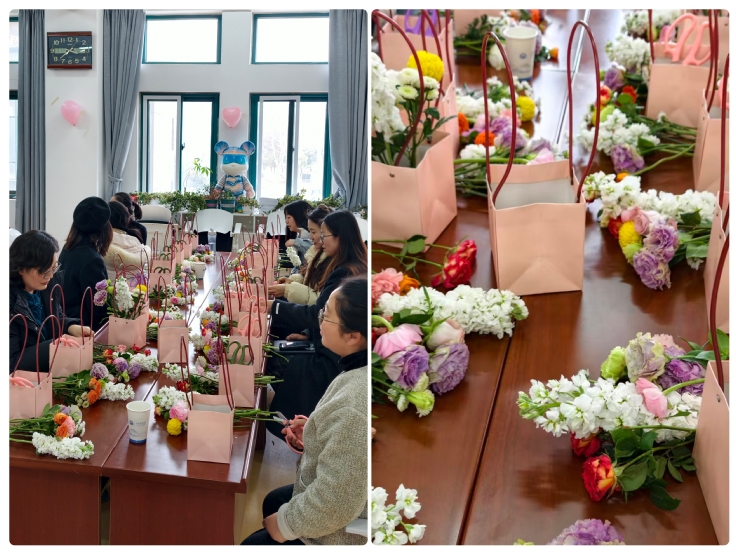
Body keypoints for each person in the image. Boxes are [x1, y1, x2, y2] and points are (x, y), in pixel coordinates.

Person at [242, 276, 368, 545]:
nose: (319, 319)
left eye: (326, 315)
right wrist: (315, 432)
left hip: (340, 528)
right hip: (338, 496)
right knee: (273, 500)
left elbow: (336, 502)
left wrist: (286, 525)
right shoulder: (356, 369)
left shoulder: (354, 403)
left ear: (353, 336)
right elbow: (349, 445)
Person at [266, 210, 367, 439]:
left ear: (340, 236)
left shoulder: (345, 272)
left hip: (334, 358)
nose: (320, 240)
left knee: (278, 360)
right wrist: (308, 334)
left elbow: (318, 315)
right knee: (278, 348)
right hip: (332, 347)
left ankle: (292, 428)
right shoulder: (345, 264)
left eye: (324, 235)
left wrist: (275, 307)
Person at [10, 230, 93, 372]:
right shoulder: (9, 304)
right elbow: (11, 363)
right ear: (21, 268)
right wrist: (52, 346)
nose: (50, 276)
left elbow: (56, 317)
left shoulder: (47, 287)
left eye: (53, 268)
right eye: (43, 271)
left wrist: (70, 327)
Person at [59, 197, 113, 331]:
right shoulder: (92, 260)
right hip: (85, 328)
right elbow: (99, 307)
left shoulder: (68, 248)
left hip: (67, 321)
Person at [268, 204, 332, 307]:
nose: (310, 237)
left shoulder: (332, 262)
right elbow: (308, 280)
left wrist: (288, 289)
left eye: (289, 217)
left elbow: (318, 302)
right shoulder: (316, 252)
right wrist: (292, 281)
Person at [103, 202, 151, 279]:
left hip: (110, 286)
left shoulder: (102, 243)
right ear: (127, 219)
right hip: (138, 286)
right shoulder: (136, 240)